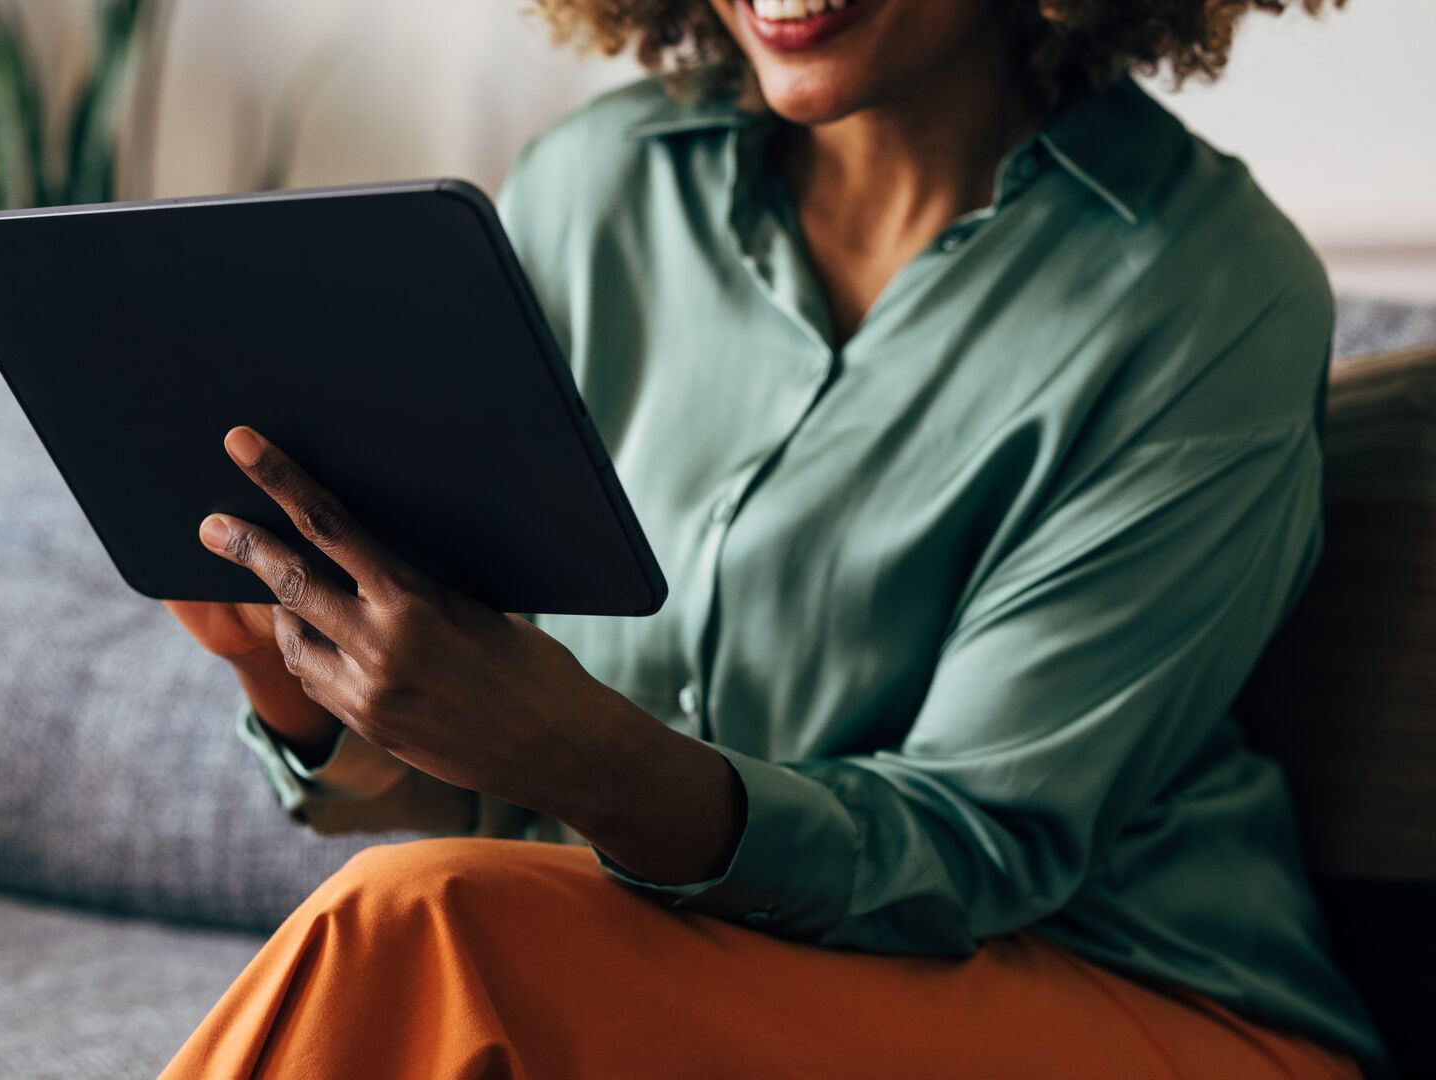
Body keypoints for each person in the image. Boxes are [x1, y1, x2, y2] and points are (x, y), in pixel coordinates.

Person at [159, 0, 1383, 1075]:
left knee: (423, 930)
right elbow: (504, 776)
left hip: (1118, 991)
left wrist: (591, 759)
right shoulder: (597, 184)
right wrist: (289, 668)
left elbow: (979, 849)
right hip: (702, 959)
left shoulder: (1209, 286)